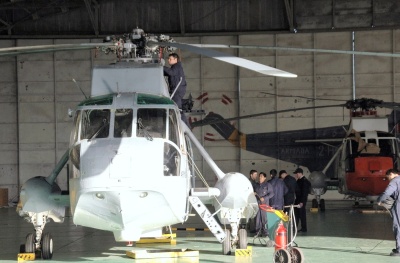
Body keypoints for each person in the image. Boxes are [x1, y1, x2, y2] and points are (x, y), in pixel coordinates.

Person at [377, 169, 400, 256]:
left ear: (391, 174)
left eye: (388, 177)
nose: (388, 180)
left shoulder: (395, 181)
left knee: (398, 226)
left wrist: (380, 200)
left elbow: (387, 192)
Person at [163, 53, 189, 126]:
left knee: (177, 109)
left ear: (175, 59)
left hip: (177, 91)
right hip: (177, 91)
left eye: (170, 59)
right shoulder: (175, 67)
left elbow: (171, 73)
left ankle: (185, 125)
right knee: (176, 108)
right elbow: (169, 73)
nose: (168, 60)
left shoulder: (177, 66)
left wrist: (161, 66)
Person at [254, 172, 274, 237]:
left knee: (264, 218)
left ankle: (265, 232)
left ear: (265, 178)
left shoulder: (268, 185)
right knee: (257, 218)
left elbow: (271, 194)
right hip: (258, 203)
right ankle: (258, 232)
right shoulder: (256, 185)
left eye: (262, 176)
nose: (260, 177)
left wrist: (265, 198)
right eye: (259, 176)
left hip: (264, 204)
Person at [293, 168, 311, 232]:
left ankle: (304, 228)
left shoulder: (304, 181)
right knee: (297, 214)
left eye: (297, 174)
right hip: (298, 200)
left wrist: (302, 202)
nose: (296, 175)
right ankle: (296, 227)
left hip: (301, 201)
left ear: (300, 173)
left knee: (302, 214)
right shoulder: (300, 180)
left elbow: (304, 193)